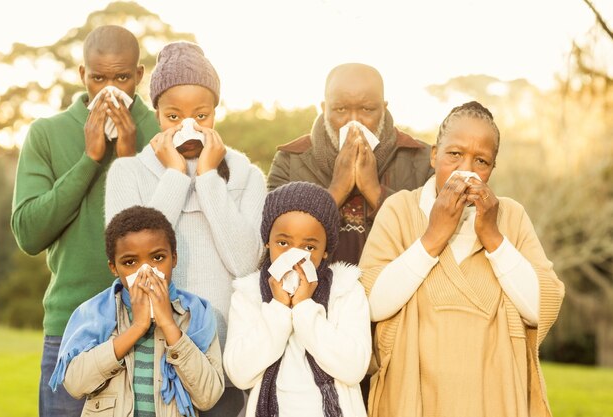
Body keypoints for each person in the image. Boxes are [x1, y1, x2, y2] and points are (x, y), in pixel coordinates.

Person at [359, 101, 565, 417]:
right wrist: (433, 236)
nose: (466, 170)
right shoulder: (400, 210)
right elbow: (372, 303)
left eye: (481, 160)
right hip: (411, 400)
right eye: (454, 154)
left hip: (494, 401)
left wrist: (493, 236)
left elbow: (540, 308)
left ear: (493, 169)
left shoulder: (511, 217)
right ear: (433, 155)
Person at [105, 41, 266, 416]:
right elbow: (133, 261)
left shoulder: (245, 174)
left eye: (202, 115)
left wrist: (209, 178)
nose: (188, 126)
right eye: (173, 116)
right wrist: (176, 176)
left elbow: (246, 264)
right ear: (157, 114)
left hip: (225, 364)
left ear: (215, 113)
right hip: (152, 362)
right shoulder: (128, 173)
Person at [10, 25, 159, 417]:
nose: (110, 90)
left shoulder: (163, 131)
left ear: (140, 76)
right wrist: (90, 160)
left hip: (154, 327)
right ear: (82, 75)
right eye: (99, 78)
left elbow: (172, 229)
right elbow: (29, 232)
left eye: (122, 77)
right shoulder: (47, 133)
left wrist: (128, 159)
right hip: (72, 329)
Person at [49, 205, 224, 416]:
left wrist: (169, 326)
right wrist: (137, 327)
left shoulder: (196, 314)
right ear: (114, 267)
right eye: (130, 262)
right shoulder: (94, 314)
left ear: (174, 258)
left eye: (158, 258)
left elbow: (208, 396)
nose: (145, 271)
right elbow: (75, 384)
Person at [224, 181, 371, 416]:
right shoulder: (248, 294)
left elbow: (353, 368)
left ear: (325, 251)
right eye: (283, 243)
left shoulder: (346, 291)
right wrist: (279, 308)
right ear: (267, 242)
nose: (294, 255)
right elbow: (240, 374)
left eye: (309, 247)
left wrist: (304, 307)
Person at [267, 63, 434, 265]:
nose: (354, 121)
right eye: (340, 109)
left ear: (383, 108)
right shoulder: (291, 159)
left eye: (367, 109)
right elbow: (280, 246)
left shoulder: (423, 159)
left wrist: (373, 189)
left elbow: (431, 239)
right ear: (324, 108)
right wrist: (337, 189)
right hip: (315, 293)